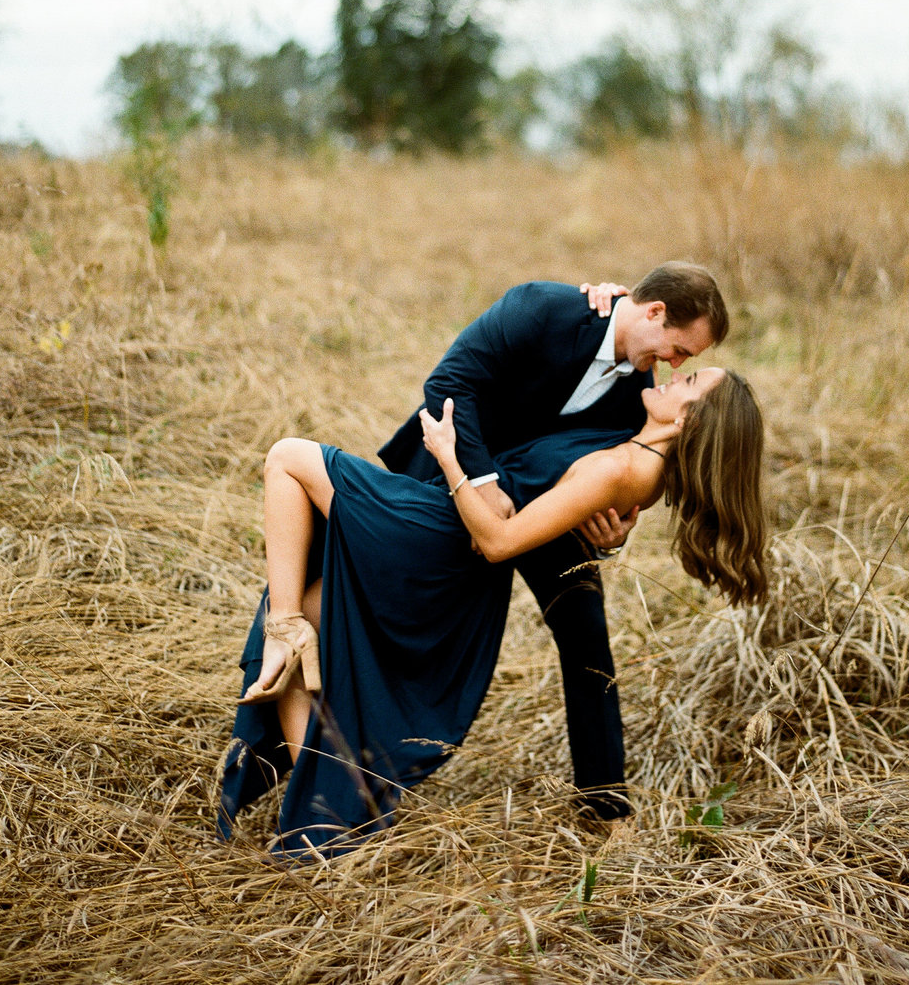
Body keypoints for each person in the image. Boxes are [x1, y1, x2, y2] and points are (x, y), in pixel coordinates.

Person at [216, 352, 766, 859]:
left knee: (288, 459)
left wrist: (452, 462)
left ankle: (287, 633)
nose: (673, 374)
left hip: (438, 538)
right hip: (444, 534)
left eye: (688, 381)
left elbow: (499, 542)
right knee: (311, 607)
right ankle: (319, 821)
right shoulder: (633, 449)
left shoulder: (622, 470)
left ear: (691, 422)